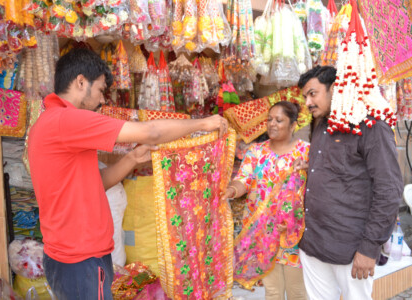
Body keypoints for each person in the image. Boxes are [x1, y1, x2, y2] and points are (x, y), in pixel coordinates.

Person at [28, 48, 228, 300]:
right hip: (80, 259)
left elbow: (94, 184)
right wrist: (203, 123)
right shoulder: (67, 120)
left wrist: (132, 159)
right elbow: (151, 132)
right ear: (80, 81)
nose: (102, 100)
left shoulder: (52, 122)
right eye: (101, 90)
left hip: (74, 256)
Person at [295, 66, 403, 300]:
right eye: (305, 96)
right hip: (313, 241)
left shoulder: (371, 126)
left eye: (312, 94)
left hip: (350, 247)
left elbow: (389, 190)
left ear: (334, 88)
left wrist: (369, 247)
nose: (307, 102)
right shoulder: (321, 124)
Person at [223, 101, 309, 300]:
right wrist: (231, 191)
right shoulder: (255, 152)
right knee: (272, 292)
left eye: (279, 120)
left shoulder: (306, 152)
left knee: (298, 293)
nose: (272, 124)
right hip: (263, 235)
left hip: (293, 235)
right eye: (269, 119)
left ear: (293, 124)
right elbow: (243, 180)